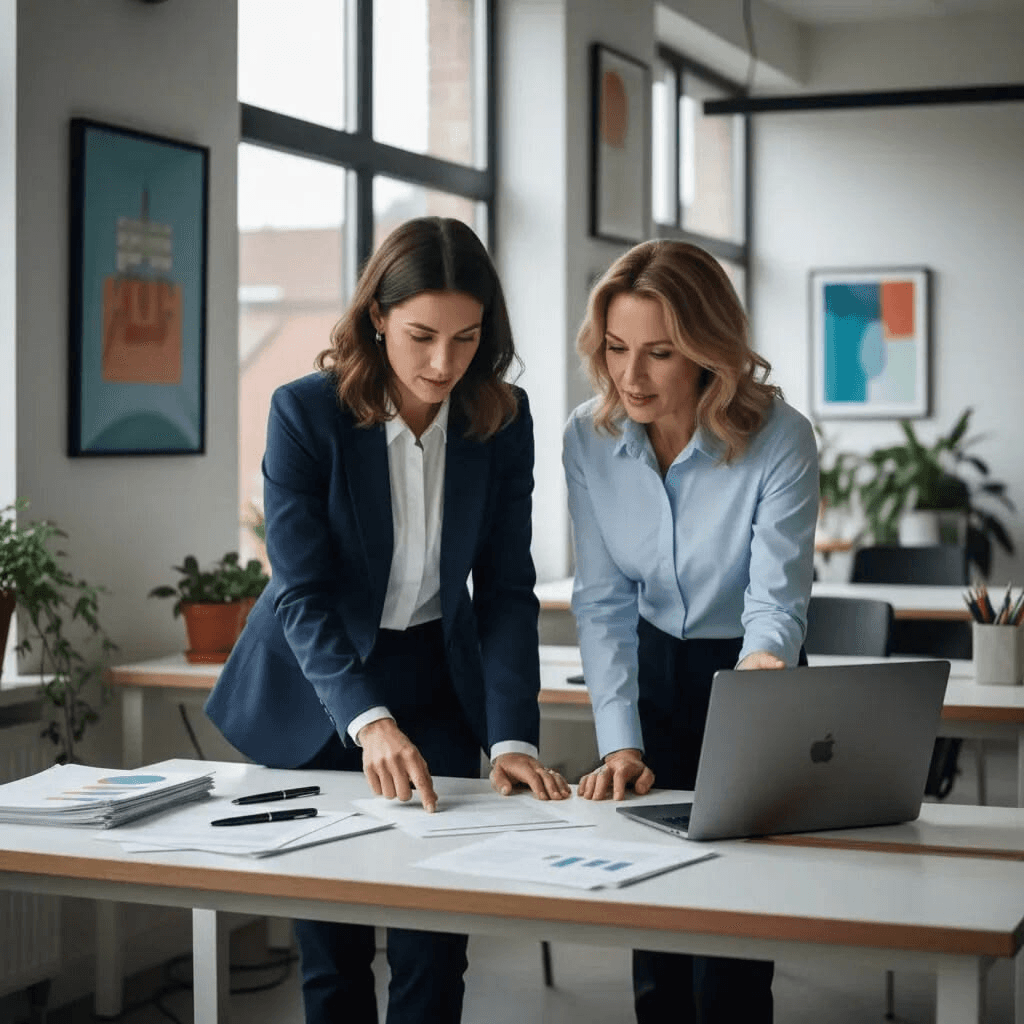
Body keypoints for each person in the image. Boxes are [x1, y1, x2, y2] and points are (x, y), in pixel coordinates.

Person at [205, 216, 570, 1024]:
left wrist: (512, 737)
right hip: (322, 689)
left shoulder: (501, 417)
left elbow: (507, 587)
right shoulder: (307, 413)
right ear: (378, 316)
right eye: (421, 336)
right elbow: (300, 593)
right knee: (332, 947)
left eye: (467, 338)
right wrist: (368, 721)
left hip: (437, 681)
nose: (445, 363)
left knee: (435, 938)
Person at [562, 240, 818, 1024]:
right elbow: (602, 600)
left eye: (659, 353)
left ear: (708, 352)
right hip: (651, 663)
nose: (630, 377)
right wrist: (620, 744)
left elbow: (774, 604)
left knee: (733, 934)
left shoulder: (780, 436)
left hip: (753, 668)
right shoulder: (590, 436)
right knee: (657, 915)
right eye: (615, 349)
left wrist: (751, 722)